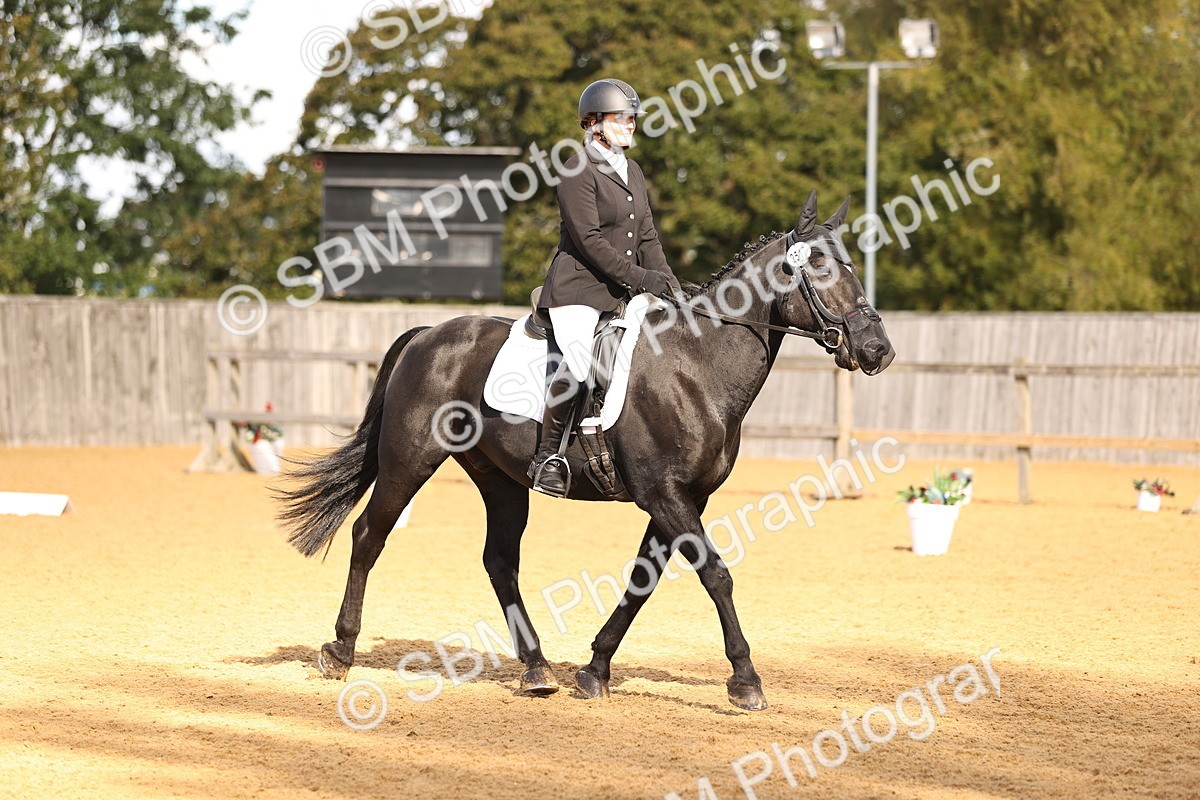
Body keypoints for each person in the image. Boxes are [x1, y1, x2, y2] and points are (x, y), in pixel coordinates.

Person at [528, 78, 683, 496]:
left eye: (633, 118)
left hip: (620, 292)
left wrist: (671, 286)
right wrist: (641, 278)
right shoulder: (576, 169)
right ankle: (548, 457)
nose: (631, 124)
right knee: (580, 366)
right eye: (622, 118)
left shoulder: (633, 171)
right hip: (578, 290)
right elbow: (589, 241)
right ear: (594, 123)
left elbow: (647, 237)